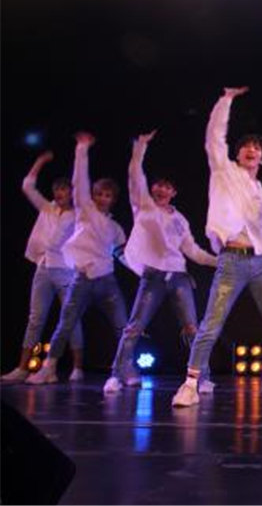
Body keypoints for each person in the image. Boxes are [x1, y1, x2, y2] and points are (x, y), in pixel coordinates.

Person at [171, 87, 262, 408]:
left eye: (257, 148)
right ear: (237, 154)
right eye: (246, 146)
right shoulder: (224, 172)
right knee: (211, 323)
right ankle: (190, 384)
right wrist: (226, 101)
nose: (251, 150)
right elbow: (214, 138)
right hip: (231, 259)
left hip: (260, 263)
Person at [104, 130, 218, 394]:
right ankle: (116, 375)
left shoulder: (180, 220)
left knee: (192, 328)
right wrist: (140, 147)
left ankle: (202, 378)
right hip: (153, 276)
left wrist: (218, 262)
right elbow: (135, 175)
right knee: (134, 327)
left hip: (178, 276)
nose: (162, 189)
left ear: (174, 192)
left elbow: (193, 251)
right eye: (158, 185)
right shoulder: (143, 206)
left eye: (167, 186)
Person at [27, 132, 128, 385]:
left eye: (108, 195)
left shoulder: (115, 228)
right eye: (100, 194)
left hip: (107, 281)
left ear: (113, 200)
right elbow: (80, 180)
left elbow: (123, 254)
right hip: (81, 278)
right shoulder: (84, 210)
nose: (103, 198)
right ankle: (49, 368)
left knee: (122, 325)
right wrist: (82, 149)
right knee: (66, 323)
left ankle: (125, 367)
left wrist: (144, 269)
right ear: (93, 195)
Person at [2, 151, 85, 383]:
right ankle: (22, 368)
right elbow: (27, 186)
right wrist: (40, 161)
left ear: (72, 193)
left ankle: (77, 368)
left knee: (71, 319)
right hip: (44, 268)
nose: (59, 193)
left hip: (66, 271)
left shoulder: (79, 215)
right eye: (56, 189)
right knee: (36, 318)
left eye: (64, 189)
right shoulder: (47, 208)